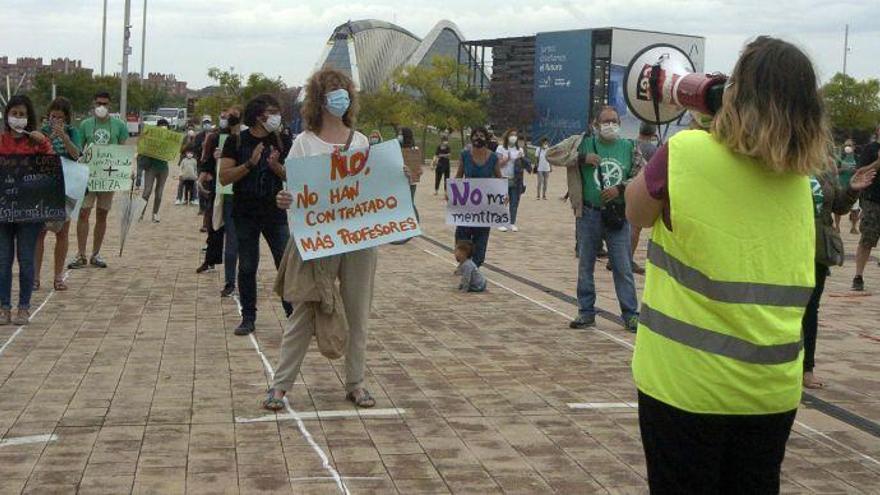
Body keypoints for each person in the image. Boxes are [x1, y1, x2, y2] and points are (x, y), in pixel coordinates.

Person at [625, 36, 832, 493]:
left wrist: (700, 125)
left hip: (686, 385)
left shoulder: (686, 152)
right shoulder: (800, 183)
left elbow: (635, 211)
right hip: (771, 392)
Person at [263, 67, 380, 411]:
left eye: (344, 90)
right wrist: (285, 199)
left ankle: (356, 383)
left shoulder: (360, 142)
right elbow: (294, 191)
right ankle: (280, 385)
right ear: (319, 98)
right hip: (317, 239)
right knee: (305, 310)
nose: (340, 96)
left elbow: (372, 188)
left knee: (358, 311)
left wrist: (397, 178)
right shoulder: (304, 143)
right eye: (332, 90)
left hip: (358, 238)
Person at [547, 105, 642, 332]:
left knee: (622, 266)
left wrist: (620, 188)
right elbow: (552, 154)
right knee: (585, 264)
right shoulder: (582, 142)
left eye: (615, 121)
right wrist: (581, 157)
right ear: (595, 124)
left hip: (617, 216)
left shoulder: (629, 147)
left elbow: (641, 176)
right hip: (588, 213)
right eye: (606, 121)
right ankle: (586, 312)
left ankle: (631, 314)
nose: (611, 125)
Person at [219, 95, 293, 335]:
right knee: (248, 266)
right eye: (271, 112)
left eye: (277, 111)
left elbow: (292, 176)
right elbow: (224, 176)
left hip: (275, 213)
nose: (275, 117)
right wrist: (250, 164)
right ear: (259, 115)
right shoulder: (236, 140)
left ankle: (293, 315)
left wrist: (275, 167)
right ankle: (248, 317)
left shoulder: (282, 140)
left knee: (285, 263)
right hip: (245, 212)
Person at [804, 164, 876, 389]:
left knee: (810, 308)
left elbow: (838, 206)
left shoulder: (823, 164)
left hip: (816, 249)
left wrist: (852, 189)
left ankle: (807, 368)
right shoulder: (776, 160)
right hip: (780, 246)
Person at [0, 95, 54, 324]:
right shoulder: (1, 140)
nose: (18, 119)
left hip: (30, 212)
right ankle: (4, 307)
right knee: (3, 261)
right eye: (14, 114)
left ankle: (23, 306)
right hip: (3, 211)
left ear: (29, 117)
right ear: (7, 115)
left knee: (26, 260)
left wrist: (42, 143)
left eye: (22, 115)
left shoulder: (36, 142)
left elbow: (52, 167)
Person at [70, 91, 128, 269]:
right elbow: (80, 149)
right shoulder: (85, 125)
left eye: (105, 104)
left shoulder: (119, 125)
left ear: (110, 105)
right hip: (88, 176)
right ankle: (81, 254)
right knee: (84, 213)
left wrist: (125, 171)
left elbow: (122, 150)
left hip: (108, 177)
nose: (101, 107)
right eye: (98, 103)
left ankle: (96, 253)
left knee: (102, 214)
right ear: (93, 104)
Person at [35, 97, 82, 292]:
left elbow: (76, 154)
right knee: (40, 232)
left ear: (66, 119)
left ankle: (58, 277)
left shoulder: (72, 132)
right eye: (53, 117)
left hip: (66, 185)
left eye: (60, 118)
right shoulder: (40, 133)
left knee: (62, 232)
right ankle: (35, 278)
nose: (55, 121)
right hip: (43, 185)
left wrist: (64, 137)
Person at [454, 127, 506, 267]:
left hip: (484, 205)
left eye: (481, 135)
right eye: (476, 135)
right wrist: (451, 192)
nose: (478, 138)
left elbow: (498, 177)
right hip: (466, 202)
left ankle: (475, 265)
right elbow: (459, 176)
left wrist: (504, 194)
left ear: (486, 138)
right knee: (463, 234)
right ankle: (463, 263)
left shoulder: (493, 157)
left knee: (481, 236)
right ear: (471, 138)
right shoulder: (465, 155)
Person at [205, 107, 242, 297]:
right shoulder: (218, 138)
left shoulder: (244, 139)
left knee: (241, 243)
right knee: (232, 241)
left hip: (245, 196)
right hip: (228, 194)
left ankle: (238, 280)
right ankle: (230, 280)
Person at [852, 125, 880, 291]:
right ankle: (858, 276)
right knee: (867, 238)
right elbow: (860, 172)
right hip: (872, 200)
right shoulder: (870, 149)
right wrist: (877, 163)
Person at [139, 119, 172, 223]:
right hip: (151, 167)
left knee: (159, 193)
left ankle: (155, 214)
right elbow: (142, 148)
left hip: (163, 168)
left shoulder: (170, 140)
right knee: (147, 191)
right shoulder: (151, 138)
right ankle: (140, 213)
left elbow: (173, 152)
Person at [495, 129, 525, 232]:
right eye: (511, 135)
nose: (514, 137)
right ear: (507, 137)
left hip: (516, 179)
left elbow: (524, 166)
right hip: (503, 177)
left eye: (515, 135)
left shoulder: (520, 150)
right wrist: (506, 159)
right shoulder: (500, 148)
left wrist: (521, 159)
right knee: (503, 201)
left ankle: (512, 223)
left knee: (514, 202)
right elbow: (497, 164)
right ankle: (500, 222)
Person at [834, 139, 859, 233]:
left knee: (855, 209)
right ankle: (837, 226)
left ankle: (854, 227)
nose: (847, 147)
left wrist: (855, 171)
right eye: (845, 145)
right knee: (837, 207)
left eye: (849, 145)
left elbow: (861, 170)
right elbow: (835, 170)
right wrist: (842, 169)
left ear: (854, 147)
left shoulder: (857, 157)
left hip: (853, 186)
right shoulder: (840, 157)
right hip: (841, 185)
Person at [176, 128, 198, 205]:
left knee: (194, 182)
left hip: (193, 162)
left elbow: (197, 149)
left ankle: (194, 198)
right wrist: (188, 142)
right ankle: (179, 198)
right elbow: (181, 150)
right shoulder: (185, 139)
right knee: (181, 182)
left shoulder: (196, 139)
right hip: (184, 162)